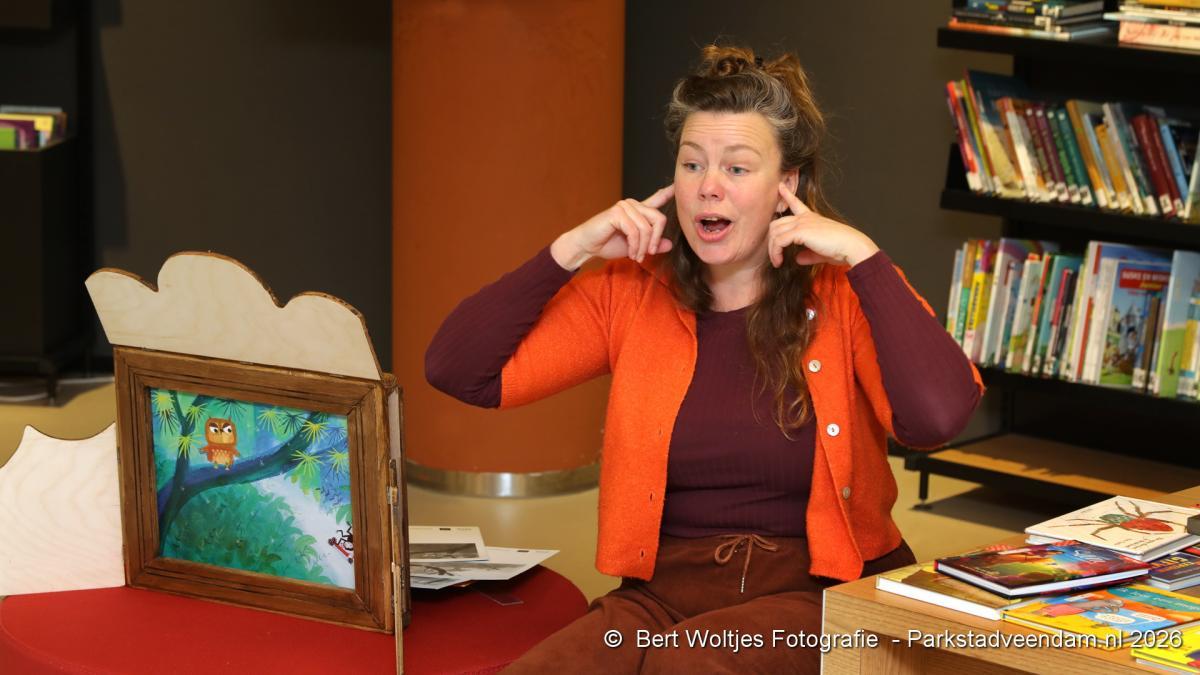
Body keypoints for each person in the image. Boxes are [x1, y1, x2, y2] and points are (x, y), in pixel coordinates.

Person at [425, 44, 983, 673]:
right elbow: (460, 371)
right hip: (663, 595)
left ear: (788, 185)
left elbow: (936, 419)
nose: (708, 186)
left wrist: (865, 258)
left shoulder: (845, 291)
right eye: (692, 164)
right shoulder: (631, 292)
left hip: (824, 595)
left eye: (737, 168)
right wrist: (572, 249)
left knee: (687, 664)